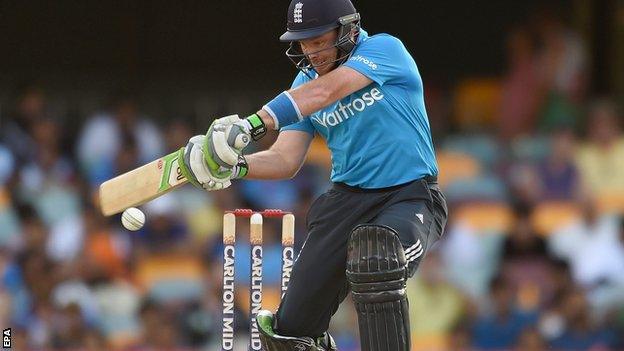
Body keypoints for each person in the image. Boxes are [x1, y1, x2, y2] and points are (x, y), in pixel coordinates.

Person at [178, 0, 447, 350]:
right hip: (345, 202)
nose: (311, 52)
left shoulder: (384, 49)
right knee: (290, 333)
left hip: (408, 195)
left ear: (348, 30)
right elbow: (284, 159)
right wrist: (234, 166)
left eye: (319, 41)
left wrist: (253, 124)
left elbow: (326, 92)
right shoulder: (305, 82)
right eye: (304, 43)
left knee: (377, 257)